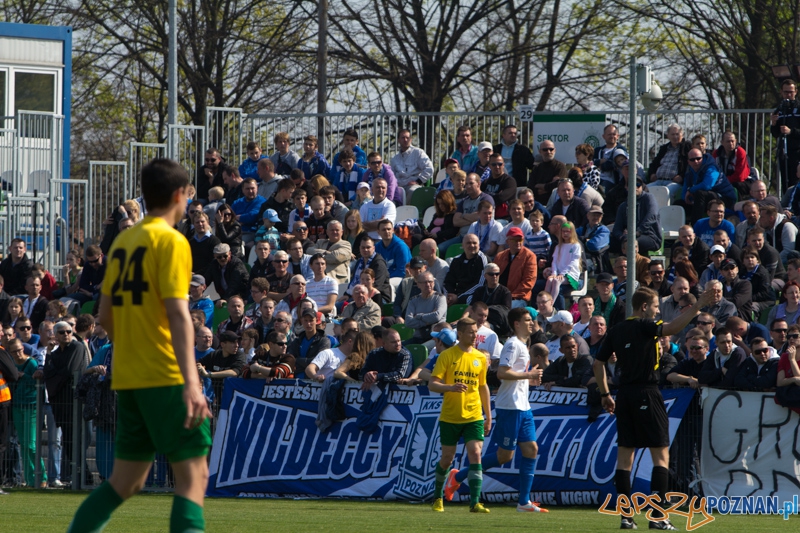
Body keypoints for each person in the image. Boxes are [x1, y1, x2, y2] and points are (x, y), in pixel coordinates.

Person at [67, 158, 213, 531]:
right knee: (193, 477)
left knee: (126, 481)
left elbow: (104, 317)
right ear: (181, 195)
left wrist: (129, 352)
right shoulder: (172, 241)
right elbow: (179, 314)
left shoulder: (123, 242)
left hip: (128, 378)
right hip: (165, 375)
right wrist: (192, 384)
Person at [594, 286, 714, 530]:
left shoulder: (616, 329)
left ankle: (626, 517)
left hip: (624, 396)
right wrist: (698, 304)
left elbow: (598, 363)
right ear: (644, 307)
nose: (658, 312)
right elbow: (672, 328)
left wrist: (605, 393)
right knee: (661, 455)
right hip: (647, 393)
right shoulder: (645, 325)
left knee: (624, 458)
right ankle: (658, 517)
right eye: (656, 308)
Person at [443, 308, 546, 512]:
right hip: (509, 407)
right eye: (527, 320)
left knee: (531, 449)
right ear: (516, 324)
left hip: (523, 406)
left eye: (532, 320)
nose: (532, 323)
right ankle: (458, 476)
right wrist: (528, 375)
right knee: (504, 456)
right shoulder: (512, 344)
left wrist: (528, 379)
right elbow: (502, 372)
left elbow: (515, 374)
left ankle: (524, 502)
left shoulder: (524, 344)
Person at [429, 318, 491, 513]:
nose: (475, 336)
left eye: (476, 332)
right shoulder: (447, 356)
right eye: (471, 332)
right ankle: (438, 497)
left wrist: (488, 415)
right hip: (450, 416)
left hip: (474, 415)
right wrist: (450, 387)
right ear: (460, 334)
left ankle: (475, 502)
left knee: (476, 453)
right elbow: (432, 383)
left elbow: (482, 386)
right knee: (447, 458)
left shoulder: (480, 358)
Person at [680, 148, 736, 223]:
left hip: (724, 198)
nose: (696, 161)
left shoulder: (711, 168)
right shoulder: (689, 173)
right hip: (705, 199)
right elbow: (684, 192)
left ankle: (696, 227)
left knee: (700, 194)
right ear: (688, 162)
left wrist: (691, 190)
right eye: (692, 160)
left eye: (698, 158)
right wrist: (687, 199)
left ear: (702, 158)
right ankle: (680, 230)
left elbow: (707, 185)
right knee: (679, 204)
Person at [493, 227, 537, 308]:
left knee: (505, 309)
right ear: (507, 241)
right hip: (498, 296)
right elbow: (492, 277)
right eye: (514, 240)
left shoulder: (529, 256)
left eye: (520, 240)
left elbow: (529, 281)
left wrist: (511, 296)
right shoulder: (499, 256)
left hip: (518, 298)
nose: (518, 242)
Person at [648, 123, 693, 199]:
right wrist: (652, 174)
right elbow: (654, 164)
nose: (675, 137)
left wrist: (681, 176)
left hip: (673, 182)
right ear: (668, 135)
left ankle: (664, 211)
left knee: (666, 193)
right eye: (672, 134)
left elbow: (690, 165)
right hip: (658, 181)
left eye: (677, 134)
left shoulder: (686, 147)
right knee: (644, 191)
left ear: (682, 135)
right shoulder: (664, 149)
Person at [770, 79, 800, 190]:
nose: (788, 95)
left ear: (796, 92)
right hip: (784, 151)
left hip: (797, 151)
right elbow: (776, 133)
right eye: (786, 92)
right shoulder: (780, 110)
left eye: (791, 92)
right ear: (781, 92)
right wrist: (773, 124)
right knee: (785, 182)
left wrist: (791, 131)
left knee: (796, 181)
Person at [404, 272, 447, 344]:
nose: (427, 285)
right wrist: (428, 321)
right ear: (418, 284)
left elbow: (437, 316)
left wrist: (418, 316)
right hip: (418, 337)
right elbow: (408, 322)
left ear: (434, 283)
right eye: (424, 282)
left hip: (435, 338)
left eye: (430, 282)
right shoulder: (413, 300)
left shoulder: (440, 298)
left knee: (424, 348)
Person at [390, 128, 434, 196]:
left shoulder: (418, 153)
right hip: (399, 186)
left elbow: (429, 169)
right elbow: (391, 176)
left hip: (413, 186)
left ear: (411, 140)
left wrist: (418, 181)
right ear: (398, 140)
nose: (405, 140)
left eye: (407, 138)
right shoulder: (394, 159)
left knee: (412, 191)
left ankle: (407, 207)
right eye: (403, 138)